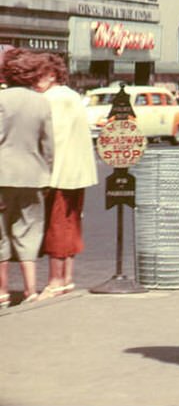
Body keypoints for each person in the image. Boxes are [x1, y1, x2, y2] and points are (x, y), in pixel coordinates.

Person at [38, 53, 98, 297]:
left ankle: (55, 281)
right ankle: (68, 278)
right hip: (78, 170)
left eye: (38, 75)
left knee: (57, 226)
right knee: (72, 223)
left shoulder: (52, 98)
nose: (34, 81)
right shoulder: (72, 95)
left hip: (60, 172)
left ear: (52, 74)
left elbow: (55, 139)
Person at [0, 49, 55, 306]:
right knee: (29, 231)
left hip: (2, 175)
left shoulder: (1, 99)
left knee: (0, 234)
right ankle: (31, 290)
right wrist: (47, 173)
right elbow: (49, 144)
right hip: (33, 175)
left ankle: (2, 292)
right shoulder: (41, 103)